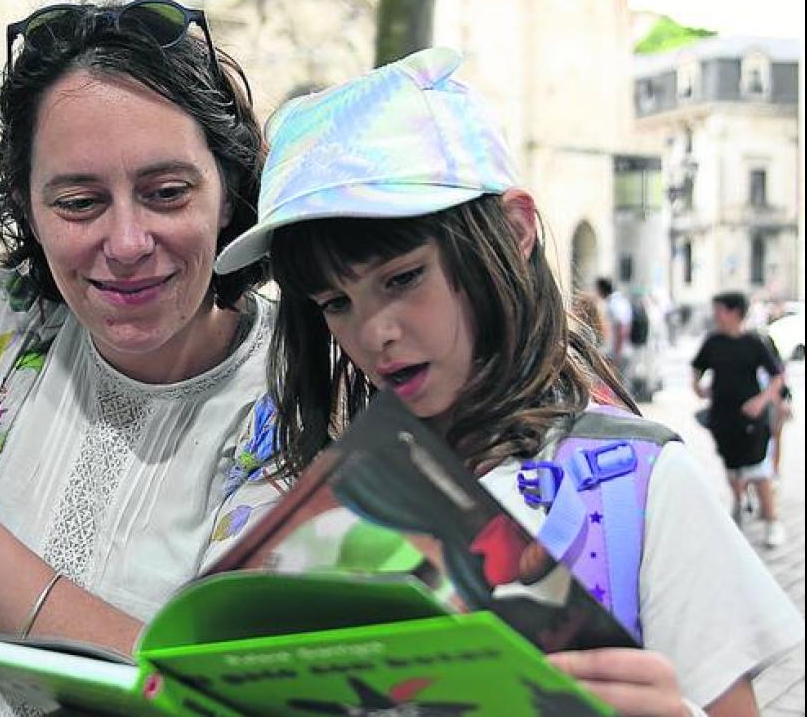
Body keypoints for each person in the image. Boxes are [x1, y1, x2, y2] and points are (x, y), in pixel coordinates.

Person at [212, 48, 801, 717]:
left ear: (515, 231)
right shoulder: (309, 498)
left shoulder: (641, 486)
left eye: (403, 278)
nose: (373, 331)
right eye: (335, 303)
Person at [0, 0, 274, 714]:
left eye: (166, 193)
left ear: (227, 192)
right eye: (78, 203)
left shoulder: (300, 390)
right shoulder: (1, 323)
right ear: (28, 211)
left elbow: (220, 694)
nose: (127, 243)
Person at [692, 292, 786, 545]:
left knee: (758, 471)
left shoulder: (754, 342)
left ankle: (772, 521)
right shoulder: (713, 342)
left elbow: (778, 376)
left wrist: (761, 401)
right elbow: (697, 368)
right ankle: (740, 502)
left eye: (719, 310)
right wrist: (698, 387)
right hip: (722, 417)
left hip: (751, 419)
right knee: (733, 470)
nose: (715, 315)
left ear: (734, 312)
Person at [595, 277, 633, 388]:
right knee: (622, 385)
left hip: (618, 350)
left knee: (619, 386)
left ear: (602, 290)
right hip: (624, 348)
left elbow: (621, 327)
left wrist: (617, 352)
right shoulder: (622, 301)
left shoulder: (613, 304)